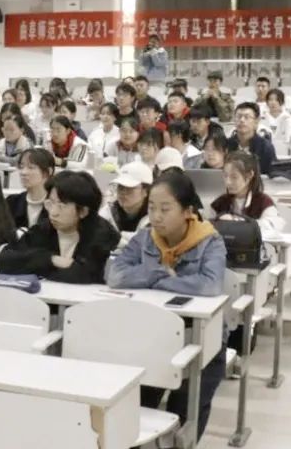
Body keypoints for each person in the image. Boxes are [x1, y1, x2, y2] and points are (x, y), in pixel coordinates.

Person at [106, 170, 227, 440]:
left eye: (165, 209)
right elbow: (114, 275)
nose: (156, 216)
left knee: (182, 415)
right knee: (133, 410)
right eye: (151, 208)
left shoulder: (209, 241)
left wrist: (152, 280)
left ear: (187, 211)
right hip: (153, 336)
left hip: (201, 340)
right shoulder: (146, 237)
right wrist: (159, 272)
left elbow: (210, 285)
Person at [0, 171, 120, 283]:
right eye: (50, 203)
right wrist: (50, 259)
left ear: (83, 211)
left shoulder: (102, 234)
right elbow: (5, 261)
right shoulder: (44, 229)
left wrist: (37, 267)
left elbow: (83, 274)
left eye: (61, 206)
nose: (53, 212)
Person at [211, 151, 283, 233]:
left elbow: (272, 226)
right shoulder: (219, 203)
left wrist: (236, 222)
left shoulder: (264, 202)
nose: (228, 182)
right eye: (225, 176)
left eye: (234, 177)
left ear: (249, 175)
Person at [100, 161, 153, 237]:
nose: (123, 193)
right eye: (120, 187)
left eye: (129, 188)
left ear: (145, 191)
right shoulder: (107, 213)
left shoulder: (154, 217)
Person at [7, 148, 54, 229]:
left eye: (31, 167)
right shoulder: (12, 202)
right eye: (21, 167)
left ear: (48, 172)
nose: (23, 172)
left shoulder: (56, 205)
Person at [226, 102, 276, 175]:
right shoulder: (226, 145)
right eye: (238, 116)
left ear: (256, 121)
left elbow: (272, 174)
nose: (242, 120)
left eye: (246, 117)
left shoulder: (265, 147)